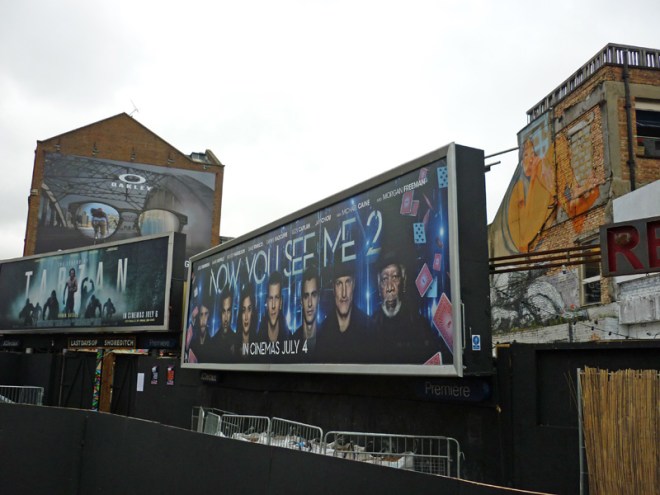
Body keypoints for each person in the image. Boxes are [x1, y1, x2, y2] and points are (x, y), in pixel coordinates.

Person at [373, 252, 449, 364]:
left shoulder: (420, 325)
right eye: (384, 279)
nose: (390, 288)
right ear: (379, 286)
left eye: (395, 277)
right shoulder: (370, 326)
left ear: (403, 282)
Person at [317, 259, 371, 363]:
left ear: (354, 284)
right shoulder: (322, 333)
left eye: (348, 282)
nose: (344, 293)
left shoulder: (369, 328)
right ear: (333, 288)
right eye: (339, 284)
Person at [291, 266, 320, 358]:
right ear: (301, 301)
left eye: (314, 295)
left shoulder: (328, 337)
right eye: (306, 296)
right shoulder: (292, 341)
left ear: (319, 298)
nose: (310, 303)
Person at [257, 271, 291, 345]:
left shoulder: (290, 339)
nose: (273, 305)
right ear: (267, 302)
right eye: (270, 298)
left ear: (281, 302)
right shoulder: (257, 340)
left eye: (276, 298)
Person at [187, 296, 215, 363]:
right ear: (198, 317)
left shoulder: (213, 344)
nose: (203, 319)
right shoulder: (192, 343)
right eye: (201, 314)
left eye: (206, 314)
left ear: (209, 316)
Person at [215, 286, 237, 359]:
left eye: (229, 311)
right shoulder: (213, 342)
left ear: (232, 312)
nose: (226, 318)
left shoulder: (237, 341)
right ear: (220, 312)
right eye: (224, 311)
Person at [236, 283, 256, 358]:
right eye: (243, 310)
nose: (246, 317)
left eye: (249, 309)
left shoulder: (258, 342)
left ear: (253, 312)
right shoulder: (233, 345)